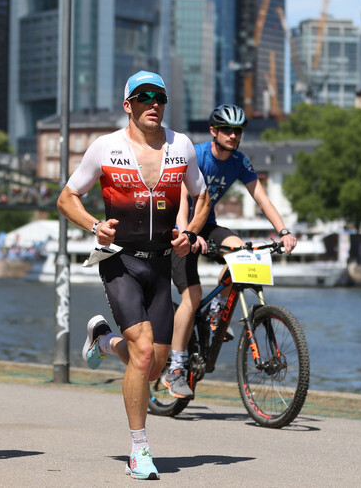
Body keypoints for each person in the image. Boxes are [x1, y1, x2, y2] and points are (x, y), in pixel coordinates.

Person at [57, 70, 209, 481]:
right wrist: (93, 226)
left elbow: (202, 196)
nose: (153, 104)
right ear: (129, 105)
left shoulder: (182, 147)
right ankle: (139, 449)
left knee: (153, 366)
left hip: (160, 262)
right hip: (118, 259)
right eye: (144, 97)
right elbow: (67, 197)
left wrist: (191, 232)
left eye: (159, 97)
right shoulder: (105, 148)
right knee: (143, 352)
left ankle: (104, 340)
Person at [163, 104, 297, 400]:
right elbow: (182, 198)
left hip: (206, 225)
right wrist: (187, 235)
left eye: (238, 131)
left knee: (241, 249)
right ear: (214, 131)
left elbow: (261, 198)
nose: (234, 135)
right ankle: (175, 367)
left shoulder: (239, 161)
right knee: (192, 296)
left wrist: (284, 231)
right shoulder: (196, 155)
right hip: (177, 228)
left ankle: (216, 311)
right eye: (228, 130)